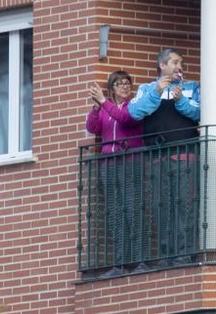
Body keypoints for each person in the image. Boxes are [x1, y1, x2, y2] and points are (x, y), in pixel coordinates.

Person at [127, 48, 201, 265]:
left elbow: (199, 112)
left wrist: (181, 102)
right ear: (162, 65)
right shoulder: (146, 88)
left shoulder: (192, 87)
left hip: (185, 154)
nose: (180, 67)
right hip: (157, 157)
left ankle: (184, 252)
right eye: (175, 62)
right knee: (161, 206)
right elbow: (134, 113)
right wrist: (157, 92)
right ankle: (166, 254)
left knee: (185, 204)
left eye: (181, 63)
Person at [85, 70, 145, 277]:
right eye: (120, 84)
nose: (125, 87)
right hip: (109, 164)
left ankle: (139, 260)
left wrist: (103, 101)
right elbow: (93, 128)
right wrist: (95, 107)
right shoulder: (104, 109)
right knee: (115, 213)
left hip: (130, 162)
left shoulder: (134, 106)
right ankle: (119, 263)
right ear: (112, 88)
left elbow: (127, 120)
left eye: (128, 83)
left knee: (133, 210)